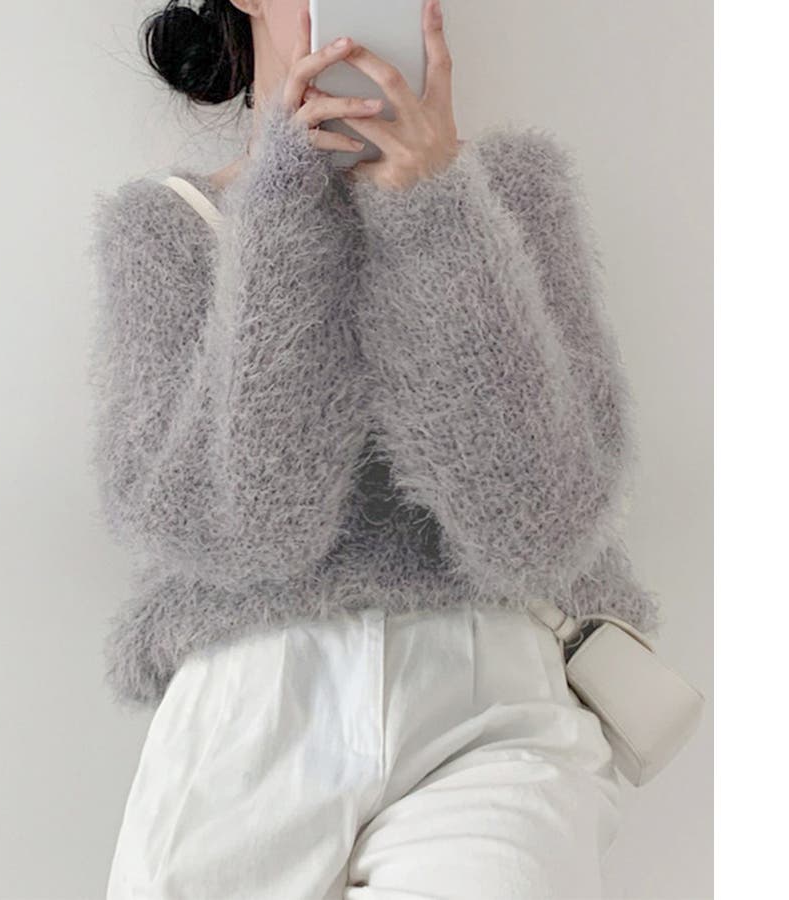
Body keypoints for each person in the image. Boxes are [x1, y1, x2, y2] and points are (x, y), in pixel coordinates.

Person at [88, 1, 662, 897]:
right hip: (248, 706)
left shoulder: (514, 195)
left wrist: (437, 211)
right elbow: (246, 529)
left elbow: (538, 525)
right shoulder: (168, 223)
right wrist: (282, 201)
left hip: (491, 697)